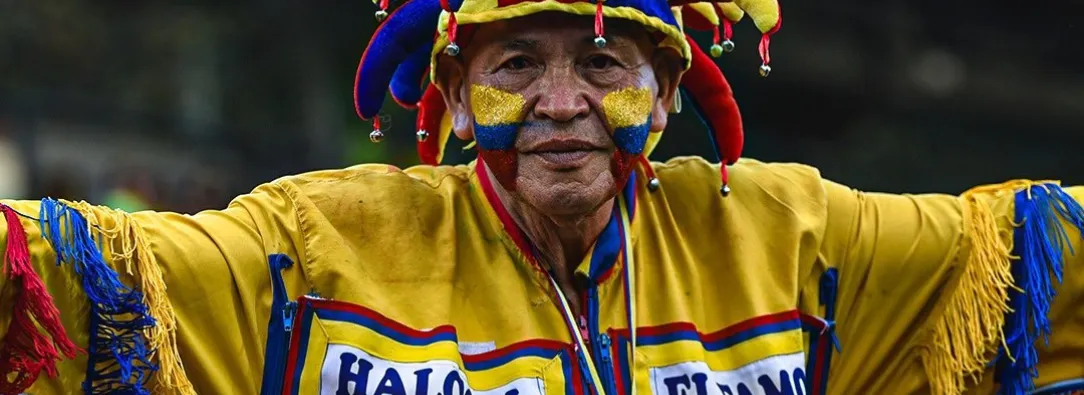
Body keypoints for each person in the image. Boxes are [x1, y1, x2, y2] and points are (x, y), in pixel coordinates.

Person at [0, 1, 1082, 394]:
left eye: (604, 68)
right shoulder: (326, 241)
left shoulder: (783, 232)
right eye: (517, 65)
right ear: (461, 101)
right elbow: (85, 274)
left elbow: (1026, 250)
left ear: (662, 102)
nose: (562, 102)